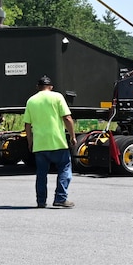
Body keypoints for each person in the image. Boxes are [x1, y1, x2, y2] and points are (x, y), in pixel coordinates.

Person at [22, 74, 76, 209]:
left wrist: (30, 141)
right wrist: (73, 136)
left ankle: (41, 201)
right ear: (51, 87)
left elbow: (27, 125)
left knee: (41, 174)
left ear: (37, 87)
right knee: (64, 168)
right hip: (57, 142)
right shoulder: (57, 97)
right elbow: (67, 118)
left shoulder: (31, 101)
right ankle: (60, 198)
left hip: (40, 144)